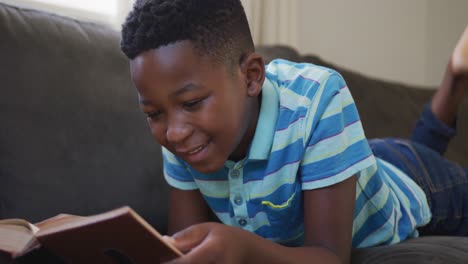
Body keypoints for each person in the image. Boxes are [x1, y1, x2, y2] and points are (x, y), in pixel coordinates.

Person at [120, 0, 468, 263]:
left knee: (425, 157)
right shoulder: (180, 133)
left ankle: (455, 77)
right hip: (342, 165)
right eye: (153, 113)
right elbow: (181, 246)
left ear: (252, 76)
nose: (174, 133)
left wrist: (243, 249)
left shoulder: (318, 97)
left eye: (193, 102)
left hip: (414, 180)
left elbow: (331, 256)